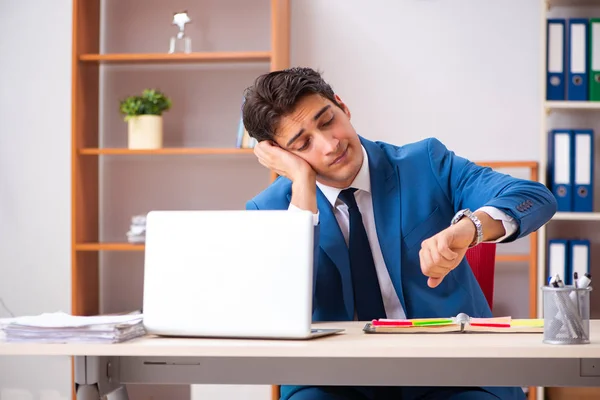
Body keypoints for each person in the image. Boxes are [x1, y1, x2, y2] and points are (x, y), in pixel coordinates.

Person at [242, 67, 557, 400]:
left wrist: (469, 229)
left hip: (452, 373)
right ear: (281, 155)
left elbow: (534, 197)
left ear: (342, 106)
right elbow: (279, 313)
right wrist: (302, 187)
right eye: (303, 144)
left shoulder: (424, 163)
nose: (329, 144)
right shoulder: (271, 209)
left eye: (326, 121)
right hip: (331, 380)